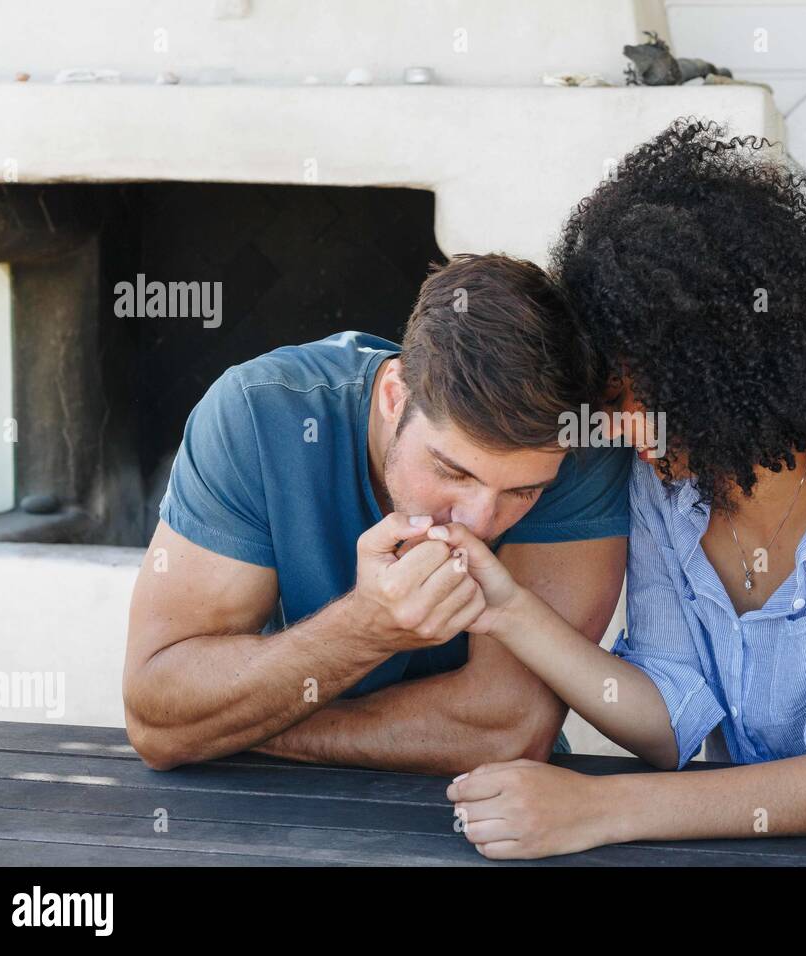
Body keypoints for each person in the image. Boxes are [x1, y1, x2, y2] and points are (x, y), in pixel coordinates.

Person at [438, 120, 806, 859]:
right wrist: (511, 612)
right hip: (763, 840)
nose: (614, 429)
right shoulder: (667, 486)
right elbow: (670, 722)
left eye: (629, 397)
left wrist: (599, 806)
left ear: (724, 360)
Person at [123, 253, 631, 774]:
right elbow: (159, 718)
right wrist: (364, 629)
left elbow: (506, 731)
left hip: (493, 812)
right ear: (394, 395)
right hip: (271, 809)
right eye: (453, 472)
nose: (479, 524)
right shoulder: (257, 413)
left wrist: (236, 726)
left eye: (524, 492)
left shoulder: (579, 446)